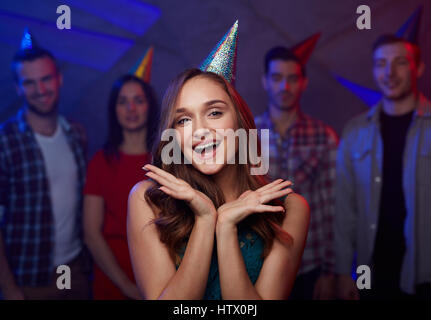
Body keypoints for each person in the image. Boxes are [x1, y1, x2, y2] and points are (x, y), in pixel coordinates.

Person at [127, 66, 310, 300]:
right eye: (183, 120)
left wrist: (225, 228)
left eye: (214, 113)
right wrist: (205, 220)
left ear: (239, 121)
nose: (200, 131)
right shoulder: (148, 199)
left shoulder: (290, 209)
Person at [335, 33, 431, 300]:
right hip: (373, 271)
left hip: (424, 272)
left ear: (418, 68)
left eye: (400, 62)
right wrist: (342, 271)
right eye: (380, 63)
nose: (389, 72)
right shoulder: (355, 131)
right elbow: (344, 208)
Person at [0, 29, 90, 300]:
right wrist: (9, 288)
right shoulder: (4, 143)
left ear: (59, 79)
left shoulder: (77, 135)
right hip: (26, 279)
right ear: (18, 87)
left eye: (46, 79)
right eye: (29, 83)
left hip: (76, 271)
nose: (40, 90)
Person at [255, 44, 338, 300]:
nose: (284, 87)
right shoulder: (248, 135)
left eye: (292, 79)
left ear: (304, 83)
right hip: (258, 260)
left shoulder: (323, 136)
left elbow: (332, 207)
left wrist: (330, 271)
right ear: (265, 82)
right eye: (277, 78)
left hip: (309, 263)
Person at [83, 73, 159, 300]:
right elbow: (91, 233)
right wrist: (126, 286)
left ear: (150, 106)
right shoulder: (100, 162)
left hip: (160, 276)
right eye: (123, 101)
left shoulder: (166, 159)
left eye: (138, 100)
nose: (131, 108)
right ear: (114, 109)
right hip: (113, 280)